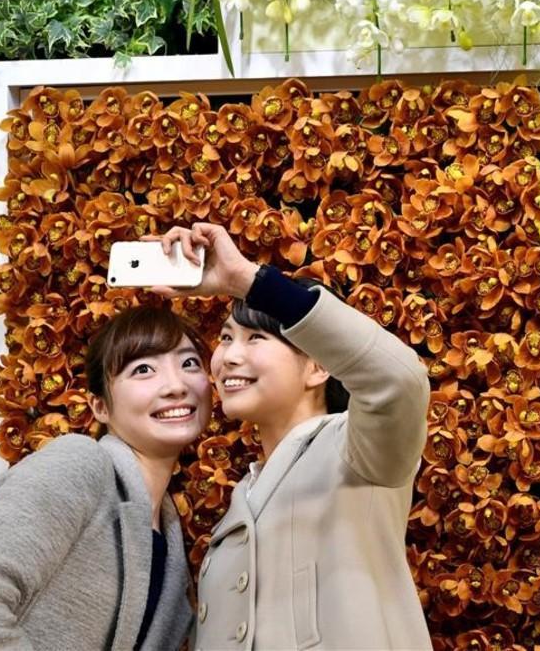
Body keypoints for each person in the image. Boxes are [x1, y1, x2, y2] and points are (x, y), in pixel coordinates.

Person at [150, 223, 432, 650]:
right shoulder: (240, 502)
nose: (229, 357)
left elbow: (398, 379)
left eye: (256, 338)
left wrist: (246, 280)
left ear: (318, 366)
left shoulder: (357, 450)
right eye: (226, 338)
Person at [0, 305, 209, 651]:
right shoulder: (80, 462)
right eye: (143, 369)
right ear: (99, 407)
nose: (176, 385)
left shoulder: (171, 545)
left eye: (189, 363)